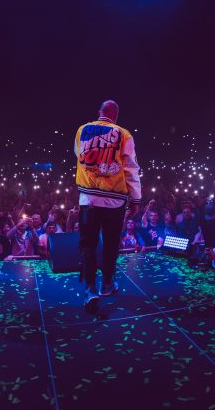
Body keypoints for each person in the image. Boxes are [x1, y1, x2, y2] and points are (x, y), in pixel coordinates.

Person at [74, 100, 141, 310]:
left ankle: (90, 288)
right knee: (111, 243)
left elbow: (79, 156)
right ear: (116, 116)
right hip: (114, 200)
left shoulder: (82, 129)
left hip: (88, 199)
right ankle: (107, 284)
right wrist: (136, 198)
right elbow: (130, 167)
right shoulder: (124, 134)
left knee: (88, 244)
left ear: (99, 112)